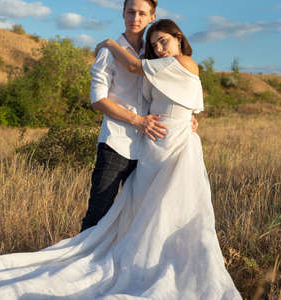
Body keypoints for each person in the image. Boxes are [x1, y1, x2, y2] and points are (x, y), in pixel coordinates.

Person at [0, 19, 241, 299]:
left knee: (180, 208)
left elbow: (138, 70)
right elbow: (120, 96)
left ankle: (169, 265)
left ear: (179, 39)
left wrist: (108, 43)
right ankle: (121, 261)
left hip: (176, 147)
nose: (159, 48)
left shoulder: (183, 62)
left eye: (164, 41)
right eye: (155, 43)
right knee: (141, 212)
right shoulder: (156, 68)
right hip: (150, 147)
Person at [81, 0, 198, 232]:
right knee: (98, 213)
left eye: (142, 13)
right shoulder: (109, 52)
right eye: (131, 12)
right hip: (117, 143)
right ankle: (76, 263)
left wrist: (189, 115)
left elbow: (175, 89)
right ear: (123, 14)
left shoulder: (155, 53)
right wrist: (137, 121)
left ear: (152, 17)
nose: (136, 18)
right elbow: (98, 100)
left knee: (136, 216)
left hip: (150, 149)